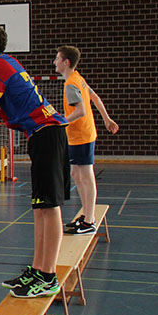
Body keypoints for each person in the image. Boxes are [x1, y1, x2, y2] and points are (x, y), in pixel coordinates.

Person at [0, 23, 69, 299]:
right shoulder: (4, 62)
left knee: (49, 207)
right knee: (40, 207)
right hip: (43, 134)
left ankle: (48, 277)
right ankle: (38, 269)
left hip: (47, 134)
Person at [53, 45, 119, 235]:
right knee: (76, 174)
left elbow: (81, 111)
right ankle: (86, 214)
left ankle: (89, 221)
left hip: (81, 135)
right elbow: (95, 98)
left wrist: (61, 122)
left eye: (57, 58)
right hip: (78, 135)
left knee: (86, 176)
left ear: (66, 62)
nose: (54, 61)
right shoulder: (77, 78)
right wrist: (107, 119)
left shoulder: (71, 84)